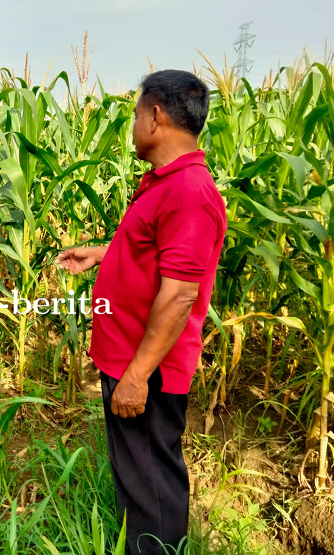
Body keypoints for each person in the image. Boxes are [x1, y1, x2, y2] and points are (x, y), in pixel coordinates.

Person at [57, 70, 226, 555]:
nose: (131, 125)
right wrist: (104, 253)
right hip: (130, 359)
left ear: (155, 116)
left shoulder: (189, 193)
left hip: (146, 369)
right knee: (141, 478)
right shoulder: (167, 184)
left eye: (134, 114)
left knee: (152, 483)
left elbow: (179, 296)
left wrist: (136, 376)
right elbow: (155, 252)